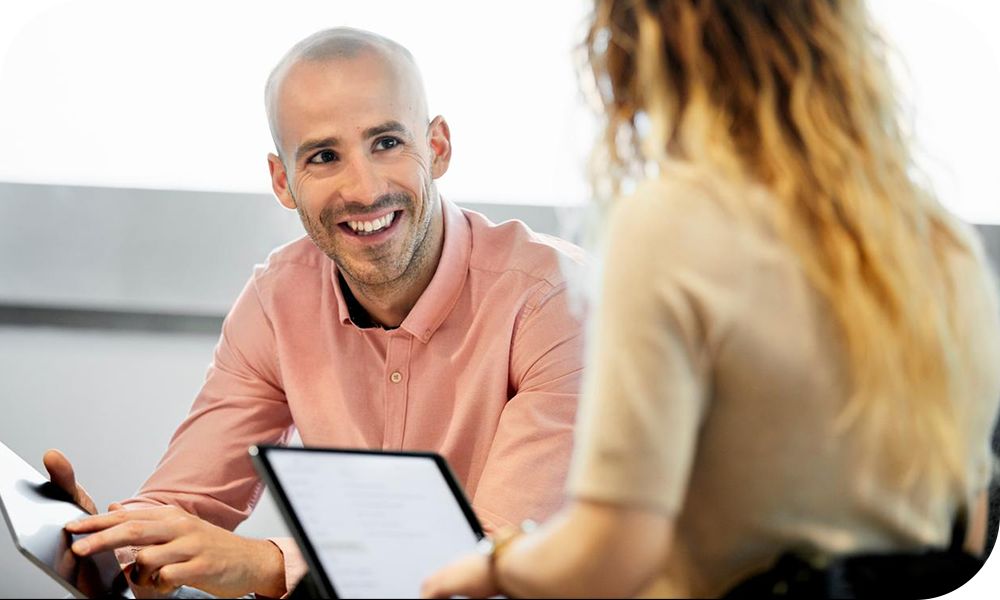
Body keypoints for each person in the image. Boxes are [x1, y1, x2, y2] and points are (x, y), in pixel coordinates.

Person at [422, 0, 1000, 598]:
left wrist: (493, 564)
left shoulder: (672, 223)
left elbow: (615, 551)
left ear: (638, 53)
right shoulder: (939, 239)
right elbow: (967, 531)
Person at [45, 27, 585, 598]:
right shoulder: (278, 300)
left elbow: (496, 565)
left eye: (386, 143)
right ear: (283, 181)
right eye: (325, 157)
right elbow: (184, 501)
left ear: (439, 147)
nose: (364, 188)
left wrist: (267, 565)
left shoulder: (558, 301)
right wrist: (109, 547)